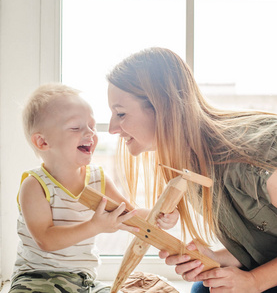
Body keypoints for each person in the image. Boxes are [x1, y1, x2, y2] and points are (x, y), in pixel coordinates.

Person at [106, 47, 277, 293]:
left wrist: (254, 282)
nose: (112, 127)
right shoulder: (191, 167)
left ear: (161, 107)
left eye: (120, 113)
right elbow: (270, 238)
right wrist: (215, 257)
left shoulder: (250, 159)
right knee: (204, 287)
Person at [9, 83, 178, 293]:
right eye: (76, 127)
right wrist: (95, 226)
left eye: (91, 125)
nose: (90, 133)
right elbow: (45, 240)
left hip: (84, 281)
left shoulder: (98, 179)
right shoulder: (35, 185)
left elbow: (128, 214)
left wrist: (160, 215)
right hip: (37, 278)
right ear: (42, 142)